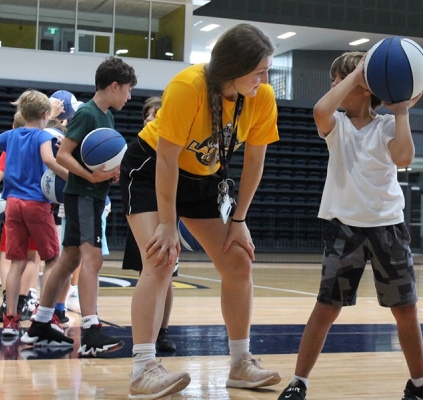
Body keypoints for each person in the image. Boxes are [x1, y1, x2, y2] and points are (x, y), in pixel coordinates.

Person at [277, 52, 423, 400]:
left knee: (405, 310)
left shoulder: (387, 125)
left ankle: (420, 384)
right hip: (344, 229)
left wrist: (401, 110)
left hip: (388, 228)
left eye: (339, 80)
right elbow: (320, 110)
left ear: (364, 88)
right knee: (326, 308)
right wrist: (358, 72)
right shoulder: (338, 126)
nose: (334, 86)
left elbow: (404, 157)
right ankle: (298, 381)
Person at [119, 23, 280, 399]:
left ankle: (240, 363)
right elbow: (167, 160)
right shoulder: (187, 86)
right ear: (233, 67)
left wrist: (238, 220)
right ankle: (143, 368)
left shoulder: (262, 96)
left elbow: (255, 160)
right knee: (160, 259)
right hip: (151, 169)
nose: (265, 78)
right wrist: (165, 223)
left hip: (206, 179)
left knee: (239, 260)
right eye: (259, 70)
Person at [21, 56, 137, 354]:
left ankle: (40, 324)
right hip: (84, 196)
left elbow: (92, 158)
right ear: (114, 86)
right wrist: (92, 176)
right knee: (92, 259)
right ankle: (90, 331)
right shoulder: (87, 113)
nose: (129, 95)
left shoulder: (106, 116)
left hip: (89, 195)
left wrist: (109, 172)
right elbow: (63, 156)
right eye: (127, 89)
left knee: (69, 259)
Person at [0, 89, 68, 338]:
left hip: (13, 203)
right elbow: (50, 162)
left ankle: (10, 319)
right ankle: (46, 315)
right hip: (35, 204)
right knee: (52, 260)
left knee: (16, 261)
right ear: (44, 114)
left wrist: (2, 140)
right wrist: (73, 179)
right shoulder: (41, 137)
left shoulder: (12, 135)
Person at [121, 95, 178, 353]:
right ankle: (146, 342)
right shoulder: (138, 149)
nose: (148, 118)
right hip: (143, 209)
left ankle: (162, 332)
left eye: (154, 114)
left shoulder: (173, 141)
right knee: (150, 271)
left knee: (165, 272)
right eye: (146, 115)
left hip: (168, 211)